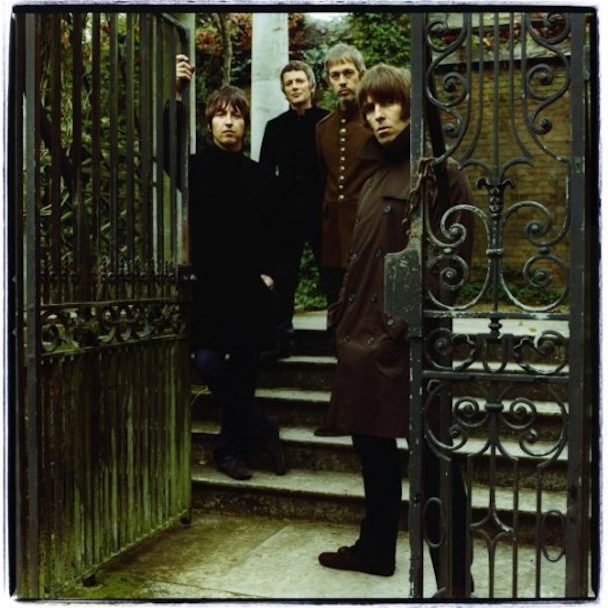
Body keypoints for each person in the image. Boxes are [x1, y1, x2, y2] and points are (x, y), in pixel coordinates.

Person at [316, 64, 474, 597]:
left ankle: (454, 580)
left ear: (409, 105)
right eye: (369, 108)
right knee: (372, 451)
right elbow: (360, 262)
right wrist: (342, 320)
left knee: (432, 464)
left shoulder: (439, 174)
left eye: (386, 103)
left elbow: (450, 264)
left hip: (408, 343)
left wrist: (400, 326)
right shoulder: (371, 177)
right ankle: (375, 548)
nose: (377, 115)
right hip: (361, 344)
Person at [167, 54, 287, 481]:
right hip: (211, 289)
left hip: (250, 289)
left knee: (244, 371)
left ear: (245, 124)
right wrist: (176, 92)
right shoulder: (195, 169)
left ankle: (229, 451)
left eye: (236, 116)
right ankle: (262, 426)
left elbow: (281, 231)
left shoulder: (261, 177)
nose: (229, 122)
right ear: (210, 124)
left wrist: (272, 274)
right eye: (221, 115)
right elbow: (166, 147)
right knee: (206, 362)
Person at [258, 61, 329, 361]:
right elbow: (264, 173)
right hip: (286, 213)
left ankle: (339, 336)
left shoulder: (327, 121)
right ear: (284, 91)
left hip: (322, 210)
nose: (295, 87)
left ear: (312, 86)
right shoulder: (275, 127)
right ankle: (280, 340)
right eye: (289, 83)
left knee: (331, 274)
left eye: (300, 81)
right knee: (283, 277)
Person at [315, 43, 383, 309]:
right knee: (337, 305)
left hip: (369, 229)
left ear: (362, 75)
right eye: (335, 76)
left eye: (348, 73)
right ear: (328, 82)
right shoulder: (322, 129)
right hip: (333, 236)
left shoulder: (375, 122)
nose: (342, 81)